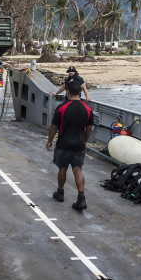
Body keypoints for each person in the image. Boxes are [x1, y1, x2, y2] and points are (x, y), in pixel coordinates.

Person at [46, 81, 94, 210]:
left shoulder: (62, 108)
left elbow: (53, 127)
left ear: (67, 92)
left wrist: (49, 141)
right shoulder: (88, 109)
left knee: (62, 168)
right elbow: (89, 128)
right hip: (79, 144)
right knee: (78, 169)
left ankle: (60, 193)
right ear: (79, 92)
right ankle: (81, 198)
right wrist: (84, 141)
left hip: (63, 144)